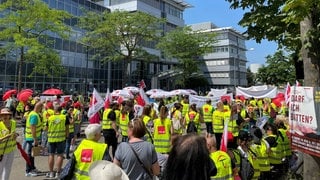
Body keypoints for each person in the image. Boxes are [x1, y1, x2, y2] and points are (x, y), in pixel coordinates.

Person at [46, 102, 69, 178]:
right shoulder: (64, 117)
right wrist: (67, 136)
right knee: (60, 155)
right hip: (61, 138)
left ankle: (51, 172)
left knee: (51, 155)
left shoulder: (50, 118)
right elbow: (67, 129)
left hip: (51, 138)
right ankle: (58, 173)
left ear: (54, 110)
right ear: (61, 110)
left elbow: (46, 128)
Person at [25, 102, 44, 177]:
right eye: (42, 108)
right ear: (39, 107)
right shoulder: (34, 115)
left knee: (32, 154)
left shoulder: (34, 113)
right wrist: (35, 139)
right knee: (30, 154)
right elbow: (33, 127)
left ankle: (32, 168)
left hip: (31, 137)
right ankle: (28, 170)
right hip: (31, 137)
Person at [0, 108, 17, 180]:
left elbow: (13, 137)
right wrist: (7, 136)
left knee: (8, 169)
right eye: (3, 115)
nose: (5, 116)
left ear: (10, 115)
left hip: (11, 150)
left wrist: (15, 136)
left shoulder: (13, 123)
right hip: (1, 152)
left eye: (7, 115)